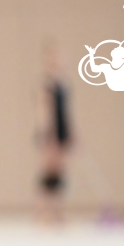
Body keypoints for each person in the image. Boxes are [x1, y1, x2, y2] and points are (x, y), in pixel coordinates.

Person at [36, 43, 73, 225]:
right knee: (48, 173)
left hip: (62, 130)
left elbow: (67, 112)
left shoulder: (63, 84)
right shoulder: (46, 84)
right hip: (51, 132)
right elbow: (44, 111)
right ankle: (42, 211)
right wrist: (47, 134)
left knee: (60, 173)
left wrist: (73, 133)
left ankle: (58, 211)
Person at [85, 0, 124, 91]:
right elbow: (94, 69)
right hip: (121, 83)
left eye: (120, 48)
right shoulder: (108, 67)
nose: (118, 46)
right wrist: (91, 54)